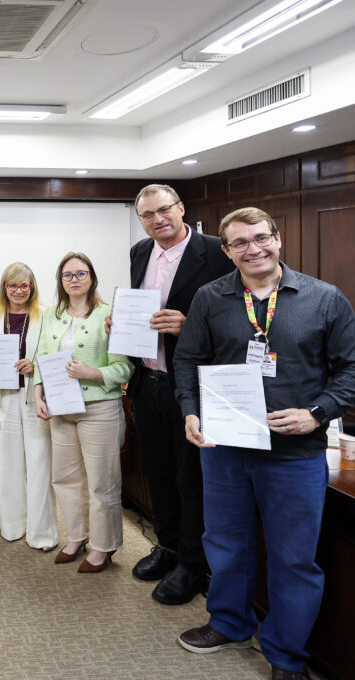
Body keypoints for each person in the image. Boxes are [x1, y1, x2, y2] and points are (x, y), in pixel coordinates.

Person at [173, 207, 355, 680]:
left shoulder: (323, 298)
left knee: (293, 559)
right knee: (225, 544)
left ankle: (286, 655)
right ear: (227, 251)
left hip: (294, 456)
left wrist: (316, 413)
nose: (253, 249)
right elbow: (188, 360)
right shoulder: (209, 297)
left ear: (278, 239)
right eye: (240, 243)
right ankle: (230, 624)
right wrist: (190, 410)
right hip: (225, 449)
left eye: (261, 238)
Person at [126, 183, 235, 603]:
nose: (158, 219)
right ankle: (168, 546)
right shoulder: (140, 252)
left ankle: (193, 564)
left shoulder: (217, 252)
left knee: (192, 479)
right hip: (148, 382)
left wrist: (190, 326)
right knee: (157, 472)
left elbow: (240, 319)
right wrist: (122, 326)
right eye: (148, 215)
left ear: (181, 208)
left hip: (193, 388)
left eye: (164, 210)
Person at [33, 253, 133, 572]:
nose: (74, 280)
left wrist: (90, 373)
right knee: (65, 478)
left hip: (99, 408)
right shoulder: (53, 315)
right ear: (60, 281)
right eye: (67, 275)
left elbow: (125, 368)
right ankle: (77, 536)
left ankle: (103, 546)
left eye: (80, 273)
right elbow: (41, 357)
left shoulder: (109, 314)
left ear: (92, 277)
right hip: (61, 407)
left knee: (101, 482)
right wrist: (38, 393)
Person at [0, 262, 55, 549]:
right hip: (4, 399)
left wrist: (35, 366)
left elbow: (57, 354)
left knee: (39, 466)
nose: (18, 291)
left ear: (32, 288)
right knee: (7, 466)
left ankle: (42, 532)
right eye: (12, 285)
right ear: (4, 288)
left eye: (24, 285)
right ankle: (12, 526)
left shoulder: (46, 316)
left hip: (35, 398)